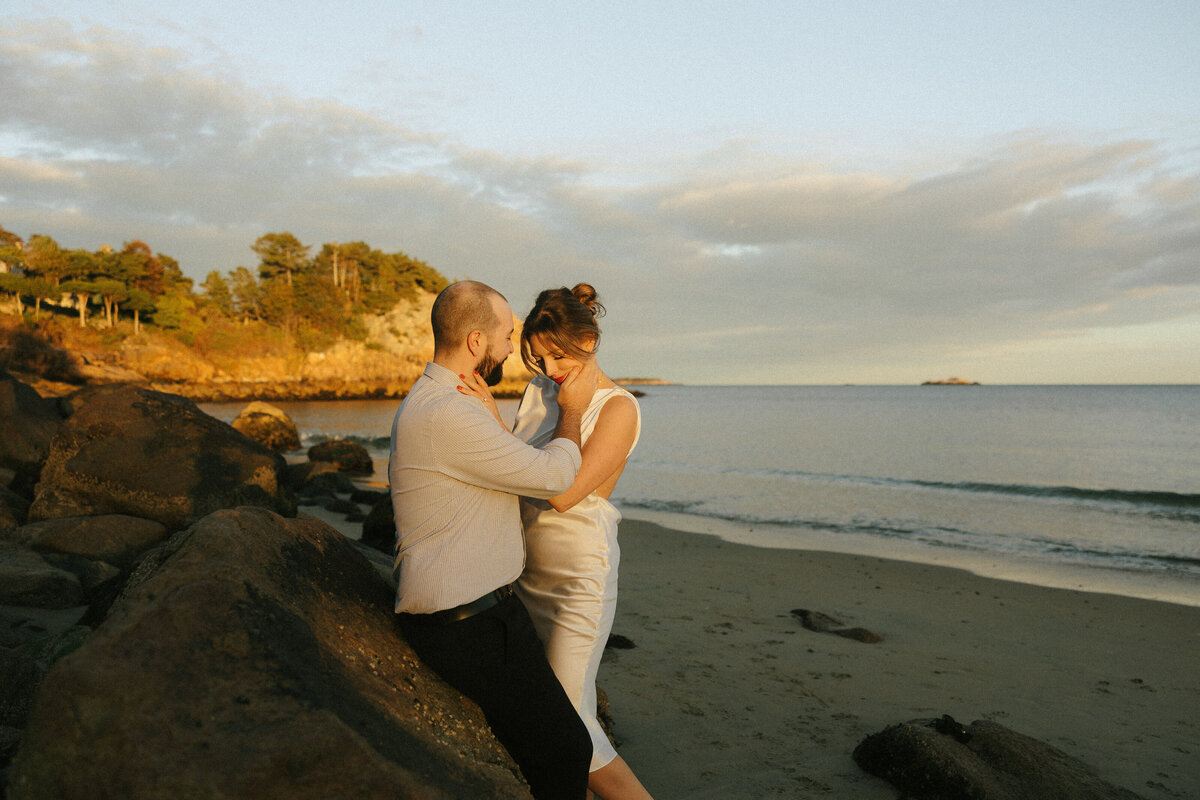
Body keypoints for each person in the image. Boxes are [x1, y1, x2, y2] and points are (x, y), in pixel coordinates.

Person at [389, 280, 598, 800]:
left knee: (554, 747)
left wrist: (495, 423)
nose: (511, 347)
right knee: (568, 749)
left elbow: (506, 471)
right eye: (506, 335)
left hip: (485, 614)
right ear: (477, 342)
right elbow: (552, 479)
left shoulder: (446, 401)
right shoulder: (447, 411)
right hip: (469, 623)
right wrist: (573, 409)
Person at [462, 283, 653, 800]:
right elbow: (511, 463)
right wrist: (487, 416)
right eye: (538, 358)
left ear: (589, 339)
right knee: (546, 722)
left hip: (576, 585)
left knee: (571, 729)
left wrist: (573, 406)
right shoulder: (542, 392)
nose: (549, 368)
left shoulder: (618, 409)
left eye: (558, 355)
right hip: (524, 576)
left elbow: (563, 493)